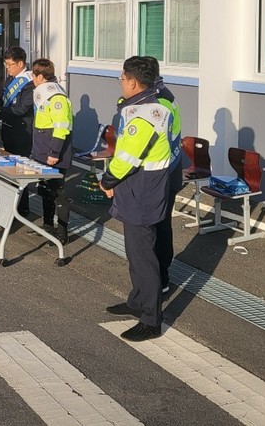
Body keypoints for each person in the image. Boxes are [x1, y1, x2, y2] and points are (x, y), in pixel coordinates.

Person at [100, 56, 175, 342]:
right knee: (136, 252)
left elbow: (126, 158)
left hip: (141, 191)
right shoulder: (150, 106)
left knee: (144, 257)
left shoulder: (143, 115)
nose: (120, 83)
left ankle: (151, 319)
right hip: (142, 189)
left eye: (121, 79)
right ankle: (137, 300)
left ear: (132, 82)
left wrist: (107, 180)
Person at [144, 57, 182, 295]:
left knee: (158, 228)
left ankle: (161, 279)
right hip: (170, 169)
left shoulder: (159, 102)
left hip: (162, 173)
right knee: (161, 225)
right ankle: (156, 279)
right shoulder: (165, 94)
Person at [30, 59, 73, 243]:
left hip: (54, 153)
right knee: (45, 190)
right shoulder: (44, 93)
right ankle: (47, 227)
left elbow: (61, 127)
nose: (32, 79)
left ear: (40, 76)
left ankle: (62, 233)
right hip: (41, 150)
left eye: (33, 75)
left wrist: (54, 153)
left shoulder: (56, 97)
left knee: (58, 193)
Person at [0, 47, 35, 217]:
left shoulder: (29, 82)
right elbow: (3, 100)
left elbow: (21, 109)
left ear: (20, 63)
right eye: (5, 64)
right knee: (8, 168)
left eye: (10, 65)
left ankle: (22, 207)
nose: (7, 68)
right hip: (8, 129)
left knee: (20, 170)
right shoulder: (10, 79)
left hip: (22, 132)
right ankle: (10, 205)